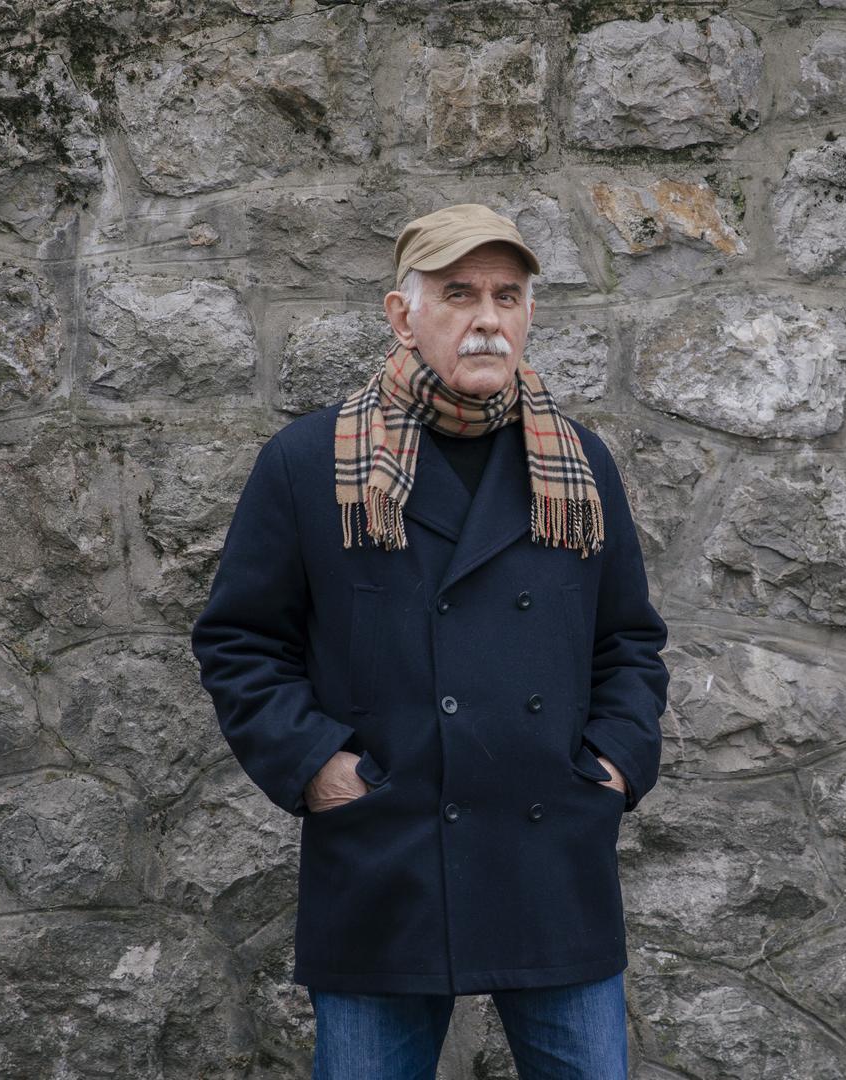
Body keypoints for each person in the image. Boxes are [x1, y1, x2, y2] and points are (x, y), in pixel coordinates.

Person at [190, 203, 670, 1079]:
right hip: (386, 853)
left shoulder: (579, 464)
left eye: (507, 296)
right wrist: (321, 769)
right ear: (402, 315)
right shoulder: (310, 462)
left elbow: (628, 642)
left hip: (551, 856)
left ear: (528, 312)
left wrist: (612, 767)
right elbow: (242, 643)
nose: (488, 319)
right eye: (459, 294)